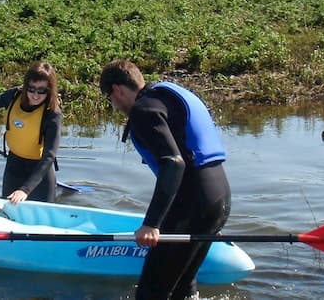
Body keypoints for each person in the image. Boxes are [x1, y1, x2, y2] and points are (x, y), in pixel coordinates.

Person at [99, 59, 231, 300]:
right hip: (219, 198)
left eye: (110, 99)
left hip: (192, 204)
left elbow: (173, 163)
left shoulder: (143, 110)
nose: (114, 105)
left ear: (117, 90)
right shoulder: (166, 94)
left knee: (151, 291)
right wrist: (209, 218)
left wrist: (152, 224)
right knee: (183, 284)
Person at [0, 61, 61, 204]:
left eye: (42, 90)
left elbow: (49, 156)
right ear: (26, 86)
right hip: (14, 166)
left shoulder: (52, 114)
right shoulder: (14, 96)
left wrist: (25, 190)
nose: (35, 95)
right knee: (9, 217)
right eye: (31, 89)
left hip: (40, 173)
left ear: (49, 90)